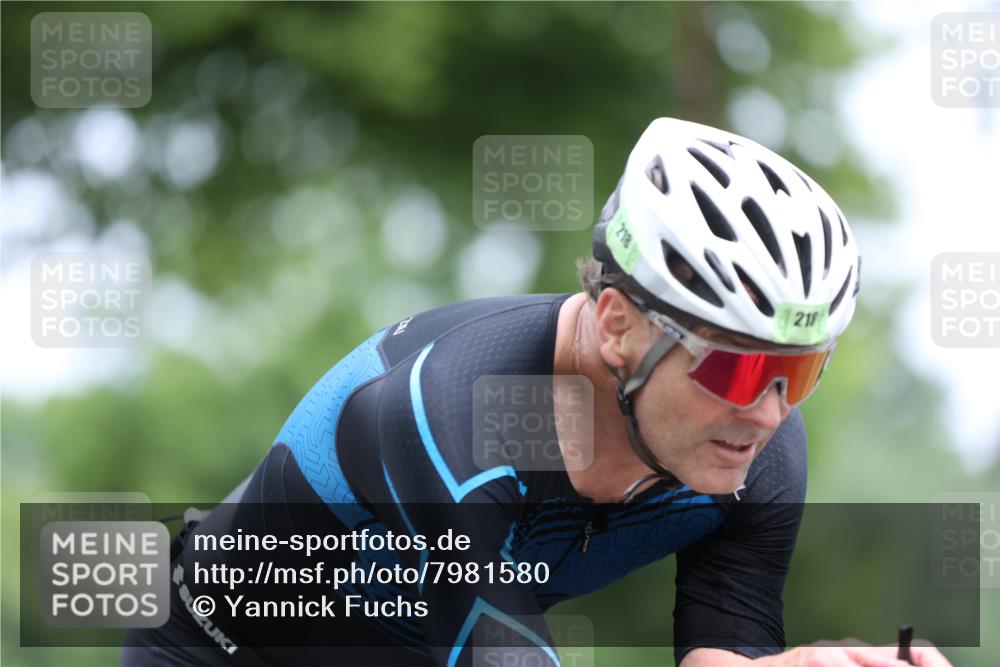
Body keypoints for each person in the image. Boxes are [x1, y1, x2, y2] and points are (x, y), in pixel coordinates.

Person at [121, 118, 952, 667]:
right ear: (620, 323)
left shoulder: (757, 454)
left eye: (799, 371)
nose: (769, 411)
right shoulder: (460, 411)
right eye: (734, 368)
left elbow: (722, 643)